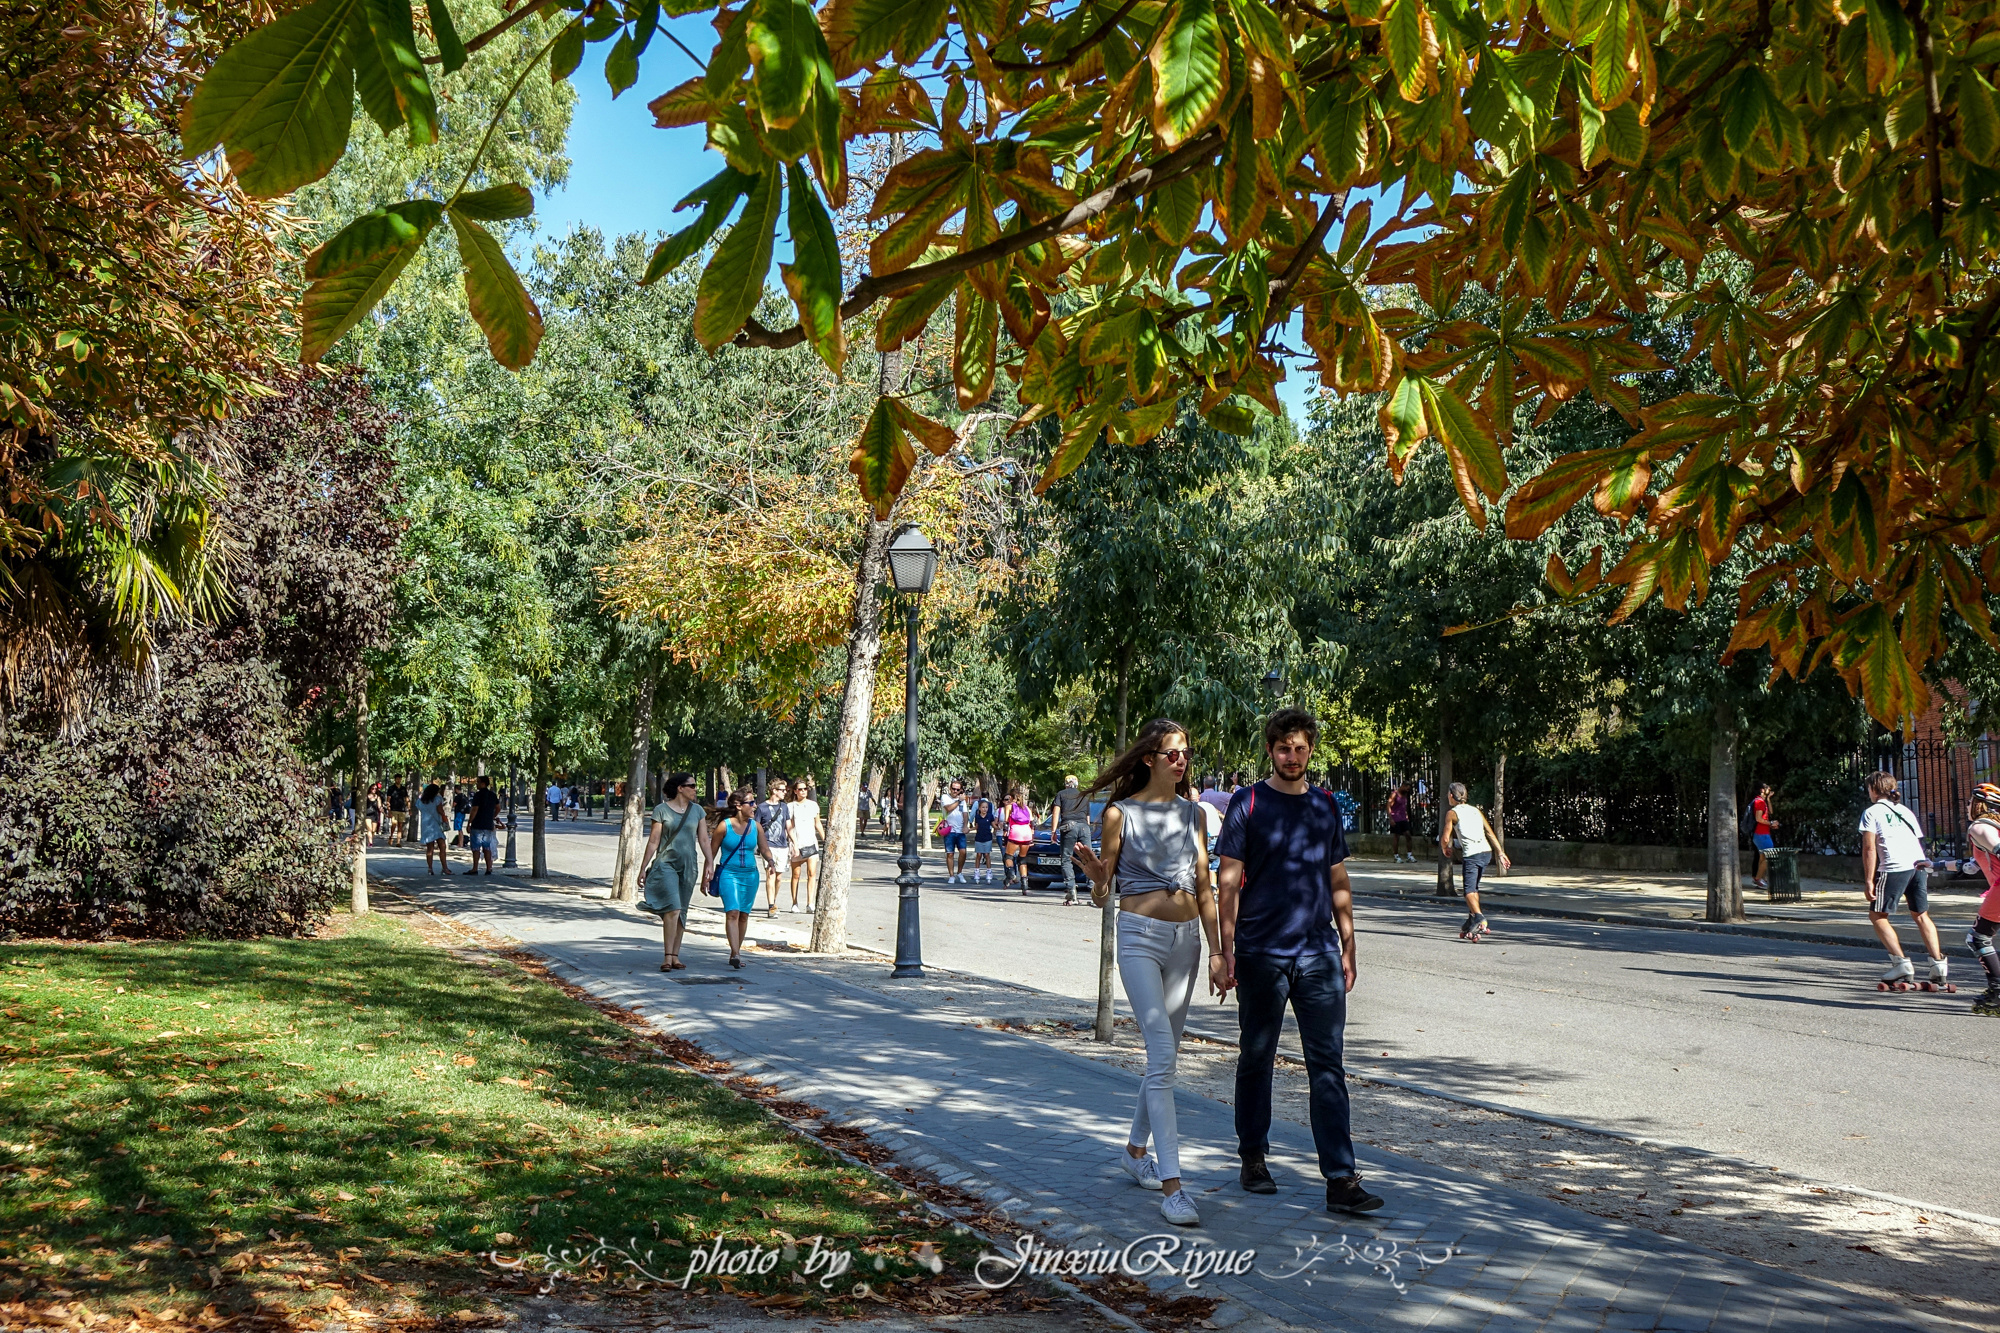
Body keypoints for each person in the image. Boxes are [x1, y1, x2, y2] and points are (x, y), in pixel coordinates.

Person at [1217, 707, 1383, 1216]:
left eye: (1300, 748)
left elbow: (1337, 878)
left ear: (1311, 750)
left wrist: (1349, 940)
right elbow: (1227, 882)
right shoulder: (1247, 802)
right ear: (1270, 750)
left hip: (1319, 954)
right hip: (1262, 952)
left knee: (1328, 1065)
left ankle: (1340, 1180)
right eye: (1284, 748)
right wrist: (1224, 950)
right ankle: (1253, 1157)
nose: (1292, 756)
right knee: (1256, 1056)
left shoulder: (1325, 806)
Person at [1072, 719, 1225, 1227]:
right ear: (1148, 758)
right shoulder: (1121, 813)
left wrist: (1220, 951)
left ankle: (1135, 1153)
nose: (1181, 761)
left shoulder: (1193, 814)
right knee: (1161, 1052)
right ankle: (1175, 1188)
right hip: (1138, 937)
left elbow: (1205, 888)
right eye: (1172, 754)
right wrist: (1096, 879)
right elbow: (1104, 892)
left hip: (1187, 945)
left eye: (1185, 753)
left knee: (1165, 1057)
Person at [1860, 770, 1949, 989]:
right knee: (1921, 915)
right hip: (1917, 865)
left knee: (1878, 916)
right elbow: (1915, 839)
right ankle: (1938, 965)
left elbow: (1870, 848)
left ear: (1873, 789)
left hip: (1893, 868)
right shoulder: (1906, 811)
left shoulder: (1872, 812)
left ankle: (1901, 964)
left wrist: (1869, 880)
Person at [639, 772, 710, 972]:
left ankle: (676, 955)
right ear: (680, 788)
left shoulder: (697, 811)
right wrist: (643, 867)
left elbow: (704, 840)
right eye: (692, 785)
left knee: (682, 912)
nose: (696, 789)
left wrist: (710, 863)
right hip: (666, 864)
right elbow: (653, 841)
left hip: (688, 866)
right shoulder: (661, 810)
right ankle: (667, 956)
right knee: (674, 908)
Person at [709, 787, 778, 968]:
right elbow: (711, 853)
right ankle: (737, 954)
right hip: (728, 873)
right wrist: (706, 876)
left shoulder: (755, 826)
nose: (755, 806)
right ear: (739, 806)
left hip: (750, 875)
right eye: (751, 803)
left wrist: (770, 860)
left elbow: (764, 848)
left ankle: (735, 952)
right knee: (733, 912)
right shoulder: (725, 826)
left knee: (744, 915)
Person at [1438, 783, 1509, 941]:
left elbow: (1445, 837)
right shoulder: (1476, 811)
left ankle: (1479, 918)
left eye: (1448, 794)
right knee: (1474, 889)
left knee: (1468, 891)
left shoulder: (1452, 813)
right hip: (1486, 853)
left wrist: (1445, 848)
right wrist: (1501, 853)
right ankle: (1472, 920)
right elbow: (1489, 833)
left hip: (1472, 854)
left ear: (1451, 795)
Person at [1961, 783, 2000, 1016]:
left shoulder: (1979, 827)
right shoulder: (1993, 826)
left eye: (1969, 802)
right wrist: (1932, 865)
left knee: (1978, 939)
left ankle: (1997, 994)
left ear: (1979, 804)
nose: (1967, 806)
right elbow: (1976, 864)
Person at [1051, 774, 1092, 907]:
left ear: (1066, 783)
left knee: (1066, 858)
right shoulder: (1084, 795)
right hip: (1084, 828)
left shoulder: (1061, 794)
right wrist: (1087, 830)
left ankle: (1072, 891)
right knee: (1088, 857)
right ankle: (1093, 888)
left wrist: (1053, 831)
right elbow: (1087, 817)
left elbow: (1056, 812)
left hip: (1069, 827)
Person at [755, 779, 792, 914]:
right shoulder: (761, 807)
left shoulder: (784, 807)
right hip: (768, 846)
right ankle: (771, 905)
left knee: (778, 877)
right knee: (770, 873)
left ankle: (773, 900)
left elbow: (788, 826)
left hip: (782, 845)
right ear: (774, 791)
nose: (785, 792)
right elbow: (757, 827)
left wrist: (794, 843)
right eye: (782, 790)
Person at [787, 778, 825, 911]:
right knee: (796, 874)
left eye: (805, 789)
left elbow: (817, 823)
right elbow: (789, 826)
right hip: (797, 842)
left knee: (812, 873)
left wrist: (824, 838)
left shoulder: (813, 805)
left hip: (811, 842)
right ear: (795, 791)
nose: (803, 791)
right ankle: (794, 903)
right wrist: (794, 843)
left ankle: (810, 903)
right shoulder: (790, 806)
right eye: (800, 789)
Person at [1002, 783, 1036, 894]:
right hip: (1026, 833)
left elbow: (1006, 823)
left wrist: (1004, 836)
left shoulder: (1009, 806)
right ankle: (1024, 885)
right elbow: (1032, 822)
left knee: (1008, 856)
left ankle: (1011, 873)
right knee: (1022, 859)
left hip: (1016, 832)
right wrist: (1032, 835)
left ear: (1011, 797)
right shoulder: (1026, 808)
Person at [466, 774, 500, 874]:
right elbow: (498, 807)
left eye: (478, 782)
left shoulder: (478, 795)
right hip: (488, 824)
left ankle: (475, 868)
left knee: (476, 847)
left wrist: (469, 822)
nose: (477, 784)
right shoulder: (493, 795)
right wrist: (492, 816)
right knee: (487, 847)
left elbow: (475, 809)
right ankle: (489, 868)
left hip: (478, 823)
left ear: (483, 783)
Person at [417, 782, 452, 874]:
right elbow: (440, 810)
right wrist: (445, 819)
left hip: (426, 825)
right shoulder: (437, 799)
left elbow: (420, 809)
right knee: (442, 846)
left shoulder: (420, 801)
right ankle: (445, 868)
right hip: (436, 824)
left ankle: (430, 869)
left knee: (430, 848)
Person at [1749, 782, 1779, 889]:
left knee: (1763, 858)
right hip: (1761, 834)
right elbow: (1759, 819)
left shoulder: (1762, 801)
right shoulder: (1759, 802)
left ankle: (1759, 878)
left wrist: (1769, 799)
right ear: (1762, 790)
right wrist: (1771, 823)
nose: (1769, 789)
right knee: (1769, 857)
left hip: (1762, 833)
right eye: (1767, 788)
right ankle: (1758, 879)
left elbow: (1770, 812)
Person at [939, 779, 971, 883]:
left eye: (957, 789)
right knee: (950, 853)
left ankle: (960, 872)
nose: (955, 791)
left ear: (960, 790)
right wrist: (958, 801)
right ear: (950, 788)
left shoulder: (963, 801)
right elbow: (948, 808)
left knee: (963, 851)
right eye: (953, 789)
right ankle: (951, 875)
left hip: (960, 830)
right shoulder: (945, 797)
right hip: (949, 829)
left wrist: (965, 826)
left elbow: (965, 813)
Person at [971, 797, 997, 883]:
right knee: (978, 855)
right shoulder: (977, 816)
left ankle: (989, 872)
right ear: (979, 808)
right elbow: (977, 826)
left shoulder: (990, 816)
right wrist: (969, 830)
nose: (984, 809)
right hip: (979, 838)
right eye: (983, 807)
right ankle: (977, 871)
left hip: (987, 837)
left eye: (986, 807)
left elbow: (993, 825)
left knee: (986, 854)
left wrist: (999, 827)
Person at [1386, 784, 1414, 862]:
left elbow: (1403, 806)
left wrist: (1406, 815)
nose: (1407, 791)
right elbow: (1388, 805)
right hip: (1396, 818)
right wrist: (1391, 818)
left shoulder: (1404, 796)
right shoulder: (1394, 794)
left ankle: (1409, 855)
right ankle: (1396, 855)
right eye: (1406, 789)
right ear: (1403, 786)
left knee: (1408, 835)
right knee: (1396, 837)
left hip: (1403, 818)